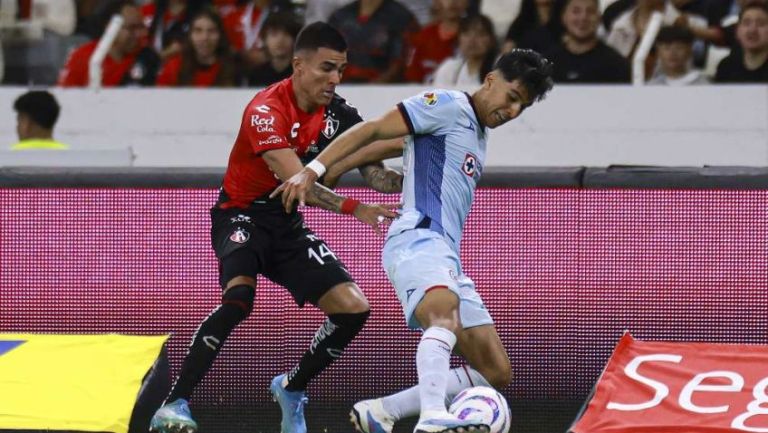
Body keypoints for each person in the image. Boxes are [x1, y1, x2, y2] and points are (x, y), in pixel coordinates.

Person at [272, 49, 554, 433]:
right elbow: (374, 127)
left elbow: (391, 145)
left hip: (446, 254)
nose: (512, 110)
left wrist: (347, 170)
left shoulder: (476, 131)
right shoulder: (449, 104)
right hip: (418, 238)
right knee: (444, 313)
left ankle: (382, 410)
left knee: (495, 371)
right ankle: (433, 415)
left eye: (522, 106)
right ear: (490, 79)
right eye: (511, 96)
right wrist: (314, 170)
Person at [148, 22, 401, 433]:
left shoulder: (340, 113)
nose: (335, 79)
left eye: (341, 69)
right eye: (326, 68)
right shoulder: (265, 111)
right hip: (241, 214)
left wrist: (411, 173)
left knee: (354, 309)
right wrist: (358, 209)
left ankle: (291, 387)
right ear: (298, 65)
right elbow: (300, 184)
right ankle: (174, 402)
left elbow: (375, 173)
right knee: (239, 299)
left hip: (285, 225)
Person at [58, 0, 160, 87]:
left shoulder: (148, 57)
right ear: (110, 27)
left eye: (140, 27)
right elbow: (65, 95)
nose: (139, 34)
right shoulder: (82, 56)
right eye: (132, 28)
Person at [328, 0, 420, 82]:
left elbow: (402, 63)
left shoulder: (402, 18)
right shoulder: (339, 17)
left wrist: (373, 88)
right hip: (343, 87)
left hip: (386, 90)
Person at [544, 0, 630, 83]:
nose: (583, 18)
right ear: (563, 17)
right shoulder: (546, 64)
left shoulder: (616, 65)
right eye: (576, 11)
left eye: (590, 12)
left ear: (599, 18)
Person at [156, 8, 239, 87]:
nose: (205, 37)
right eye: (198, 30)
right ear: (190, 35)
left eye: (212, 31)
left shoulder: (235, 68)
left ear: (220, 35)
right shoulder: (173, 67)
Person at [404, 0, 469, 84]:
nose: (453, 2)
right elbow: (412, 78)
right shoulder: (424, 36)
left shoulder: (475, 39)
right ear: (436, 2)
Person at [432, 14, 499, 86]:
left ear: (491, 40)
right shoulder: (449, 69)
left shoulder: (501, 69)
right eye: (466, 33)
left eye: (480, 34)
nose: (472, 40)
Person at [715, 0, 768, 82]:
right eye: (746, 23)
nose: (752, 30)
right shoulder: (726, 68)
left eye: (761, 24)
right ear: (737, 31)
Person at [247, 11, 302, 86]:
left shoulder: (302, 74)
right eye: (274, 34)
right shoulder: (256, 75)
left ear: (295, 39)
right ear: (265, 39)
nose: (280, 40)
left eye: (286, 34)